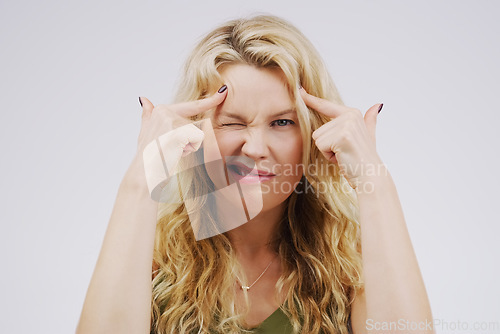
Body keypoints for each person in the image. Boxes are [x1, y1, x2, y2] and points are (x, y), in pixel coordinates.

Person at [76, 14, 434, 334]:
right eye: (232, 122)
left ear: (314, 132)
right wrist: (141, 181)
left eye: (282, 122)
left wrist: (376, 184)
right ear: (193, 132)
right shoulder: (151, 256)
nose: (255, 148)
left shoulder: (352, 262)